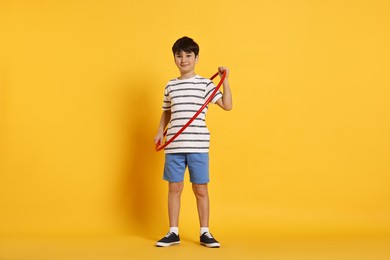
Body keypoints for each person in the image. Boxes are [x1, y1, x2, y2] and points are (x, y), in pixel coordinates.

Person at [154, 36, 233, 248]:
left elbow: (227, 105)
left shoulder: (206, 84)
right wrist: (160, 131)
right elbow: (167, 111)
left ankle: (205, 232)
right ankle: (173, 232)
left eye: (188, 55)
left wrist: (224, 79)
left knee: (201, 189)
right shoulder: (170, 85)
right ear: (174, 59)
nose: (183, 59)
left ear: (196, 58)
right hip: (174, 147)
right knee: (174, 188)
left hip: (198, 146)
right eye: (179, 55)